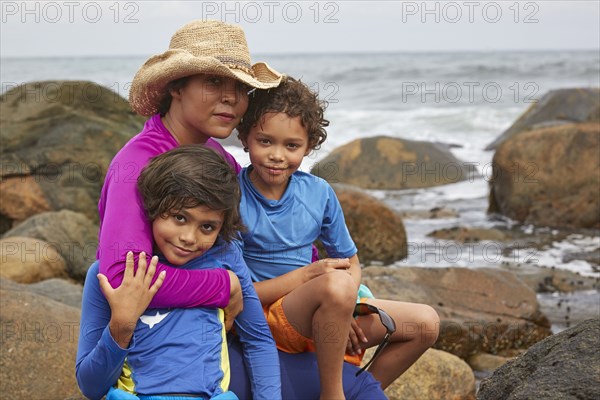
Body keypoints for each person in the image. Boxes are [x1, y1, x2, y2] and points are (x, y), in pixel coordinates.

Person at [79, 18, 389, 400]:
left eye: (240, 87)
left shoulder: (221, 162)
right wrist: (222, 287)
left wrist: (335, 304)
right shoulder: (135, 165)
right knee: (355, 386)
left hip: (230, 336)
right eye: (214, 82)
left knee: (404, 337)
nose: (231, 98)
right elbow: (118, 277)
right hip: (159, 360)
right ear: (176, 86)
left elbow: (242, 255)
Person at [236, 76, 441, 398]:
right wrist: (326, 288)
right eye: (265, 141)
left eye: (291, 146)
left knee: (425, 323)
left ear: (309, 146)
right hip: (270, 315)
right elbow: (237, 291)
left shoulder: (318, 192)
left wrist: (346, 311)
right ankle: (332, 394)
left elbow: (352, 263)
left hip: (326, 312)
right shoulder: (232, 197)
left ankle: (357, 387)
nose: (277, 155)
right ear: (244, 137)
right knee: (335, 282)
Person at [76, 146, 279, 399]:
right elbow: (90, 386)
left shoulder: (226, 260)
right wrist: (121, 327)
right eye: (179, 218)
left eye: (207, 227)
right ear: (153, 207)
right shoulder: (107, 276)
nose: (188, 238)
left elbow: (258, 341)